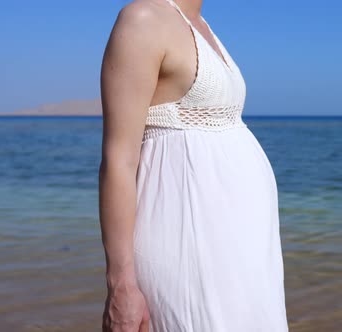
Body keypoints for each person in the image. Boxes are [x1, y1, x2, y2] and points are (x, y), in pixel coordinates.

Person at [98, 0, 289, 330]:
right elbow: (119, 159)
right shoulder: (143, 18)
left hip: (243, 249)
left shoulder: (200, 23)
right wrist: (121, 285)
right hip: (186, 238)